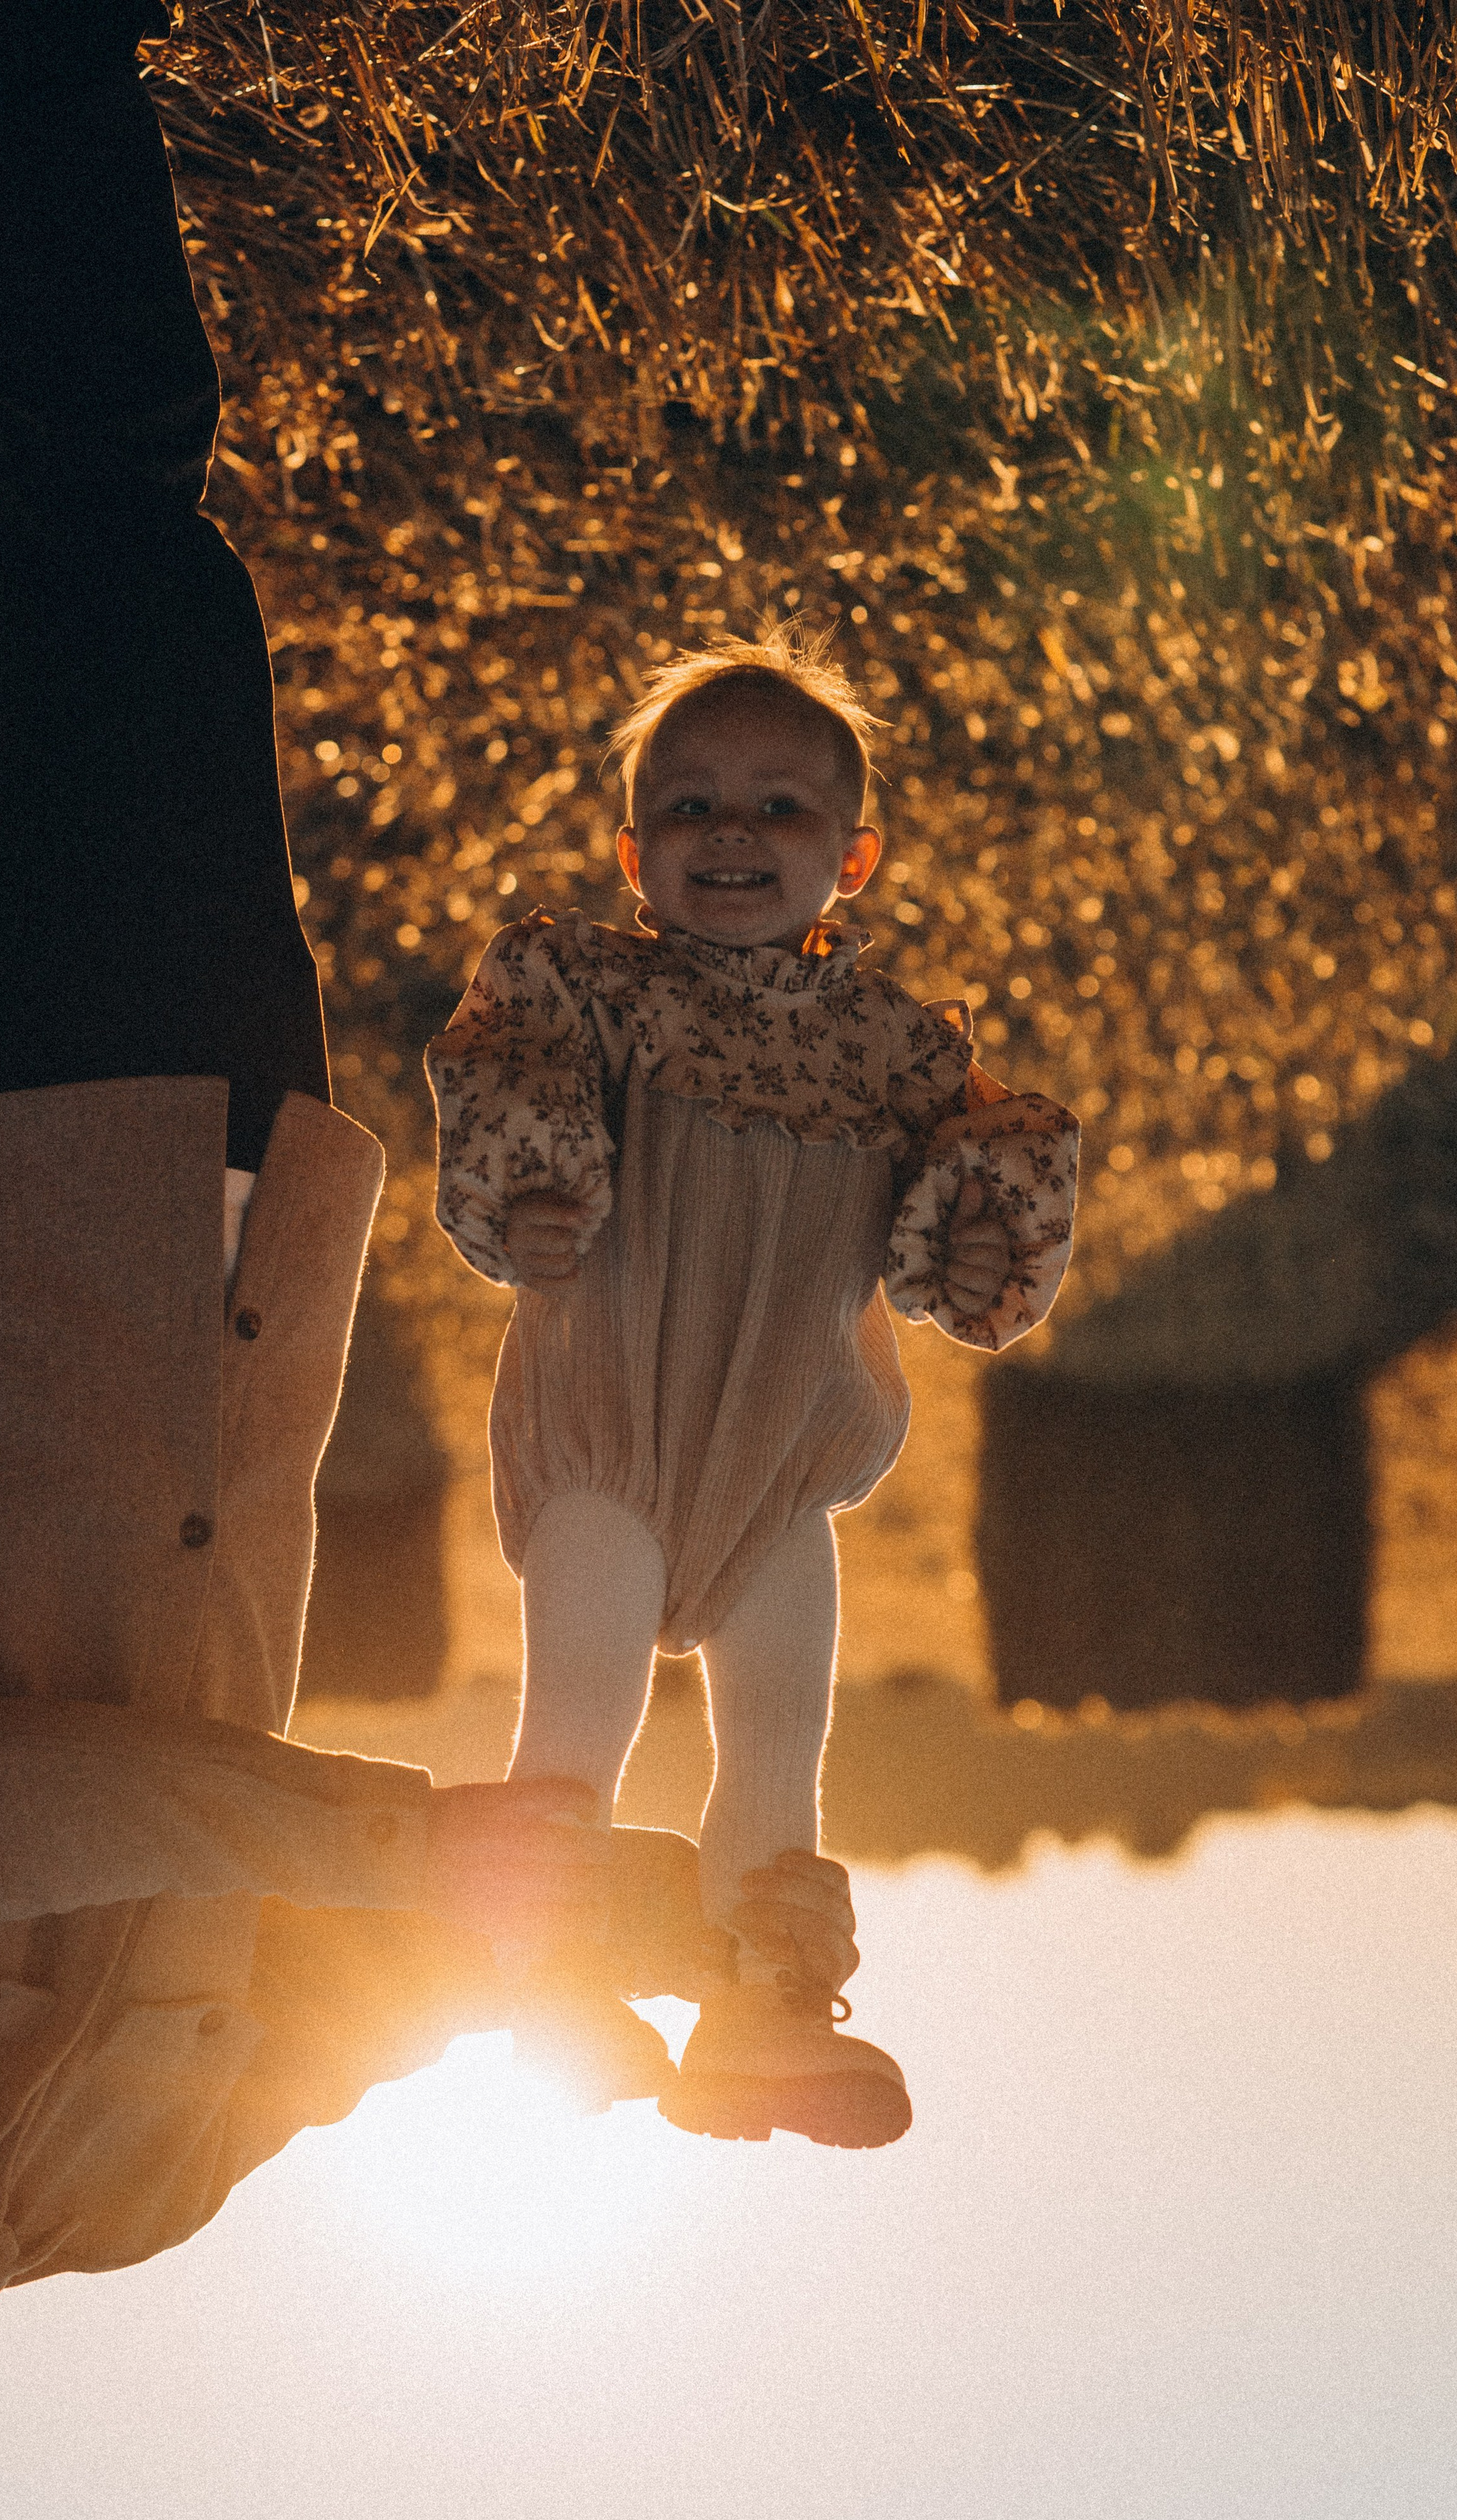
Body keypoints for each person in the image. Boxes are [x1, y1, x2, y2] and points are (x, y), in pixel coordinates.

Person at [0, 5, 854, 2520]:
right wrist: (709, 1942)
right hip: (169, 1223)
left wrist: (379, 1876)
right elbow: (412, 1970)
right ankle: (43, 72)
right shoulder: (128, 2193)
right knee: (129, 561)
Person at [428, 636, 1082, 2148]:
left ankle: (764, 2007)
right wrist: (528, 1194)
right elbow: (502, 1076)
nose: (730, 834)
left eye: (777, 809)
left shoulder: (898, 1051)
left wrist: (977, 1234)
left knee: (779, 1748)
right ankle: (545, 1982)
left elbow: (983, 1194)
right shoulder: (586, 990)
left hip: (786, 1466)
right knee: (577, 1720)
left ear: (850, 858)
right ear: (633, 848)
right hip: (611, 1432)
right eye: (690, 805)